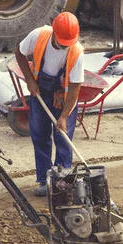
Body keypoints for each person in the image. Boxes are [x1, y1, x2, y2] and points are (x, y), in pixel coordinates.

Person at [14, 12, 84, 197]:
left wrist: (63, 117)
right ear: (54, 33)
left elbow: (75, 88)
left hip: (64, 97)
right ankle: (45, 180)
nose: (65, 46)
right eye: (63, 42)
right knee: (39, 134)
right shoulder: (39, 36)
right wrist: (29, 80)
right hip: (40, 92)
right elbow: (19, 53)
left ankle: (61, 183)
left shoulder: (76, 51)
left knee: (62, 138)